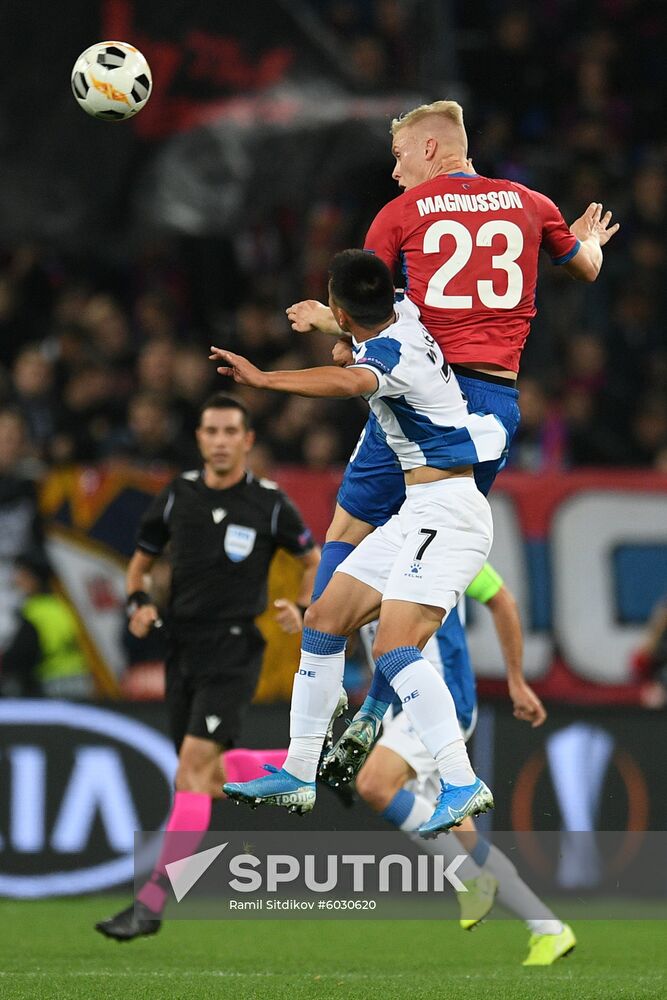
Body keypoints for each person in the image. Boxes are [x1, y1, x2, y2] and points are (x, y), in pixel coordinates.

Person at [286, 98, 619, 778]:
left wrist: (327, 321)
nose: (394, 170)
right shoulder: (530, 202)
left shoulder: (401, 215)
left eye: (401, 155)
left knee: (349, 532)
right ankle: (378, 710)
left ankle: (324, 695)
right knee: (423, 563)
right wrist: (586, 243)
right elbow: (583, 269)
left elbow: (366, 312)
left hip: (421, 394)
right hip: (493, 412)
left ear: (434, 150)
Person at [215, 250, 506, 834]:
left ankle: (459, 780)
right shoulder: (406, 313)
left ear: (346, 313)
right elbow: (366, 323)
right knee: (323, 618)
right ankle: (298, 773)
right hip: (417, 510)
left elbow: (351, 379)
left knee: (397, 649)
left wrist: (265, 378)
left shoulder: (393, 354)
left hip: (450, 511)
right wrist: (332, 318)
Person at [96, 392, 320, 941]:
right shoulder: (177, 496)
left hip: (236, 648)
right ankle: (309, 763)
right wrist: (139, 603)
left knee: (192, 772)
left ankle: (150, 904)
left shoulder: (268, 503)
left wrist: (305, 606)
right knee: (210, 776)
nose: (220, 441)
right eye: (211, 431)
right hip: (183, 650)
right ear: (200, 438)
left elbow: (312, 558)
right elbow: (140, 566)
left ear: (247, 440)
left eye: (230, 432)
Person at [355, 563, 575, 966]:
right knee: (463, 837)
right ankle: (548, 928)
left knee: (374, 784)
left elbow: (501, 599)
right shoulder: (364, 549)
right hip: (397, 709)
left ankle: (470, 881)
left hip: (440, 698)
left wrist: (516, 680)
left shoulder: (444, 539)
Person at [0, 551, 92, 698]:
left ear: (33, 579)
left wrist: (5, 662)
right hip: (80, 679)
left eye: (22, 574)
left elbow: (23, 654)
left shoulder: (34, 612)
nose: (16, 579)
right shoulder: (61, 605)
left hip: (52, 685)